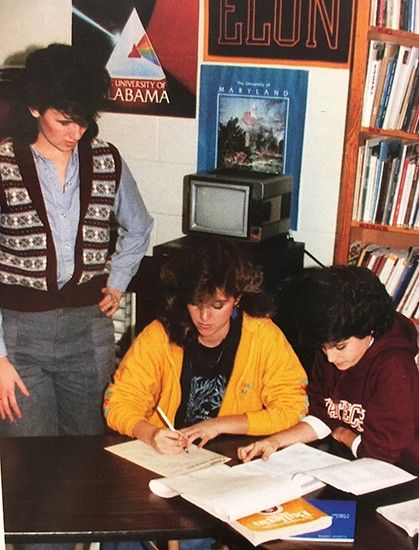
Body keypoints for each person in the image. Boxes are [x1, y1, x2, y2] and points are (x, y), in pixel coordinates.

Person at [0, 43, 153, 438]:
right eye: (64, 121)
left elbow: (139, 227)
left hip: (88, 334)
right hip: (19, 337)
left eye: (83, 121)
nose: (76, 133)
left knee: (90, 456)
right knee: (28, 458)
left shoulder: (107, 160)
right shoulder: (2, 165)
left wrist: (117, 281)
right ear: (35, 108)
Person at [104, 237, 308, 455]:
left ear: (237, 298)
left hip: (234, 455)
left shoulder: (264, 337)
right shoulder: (159, 335)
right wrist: (150, 434)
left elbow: (293, 408)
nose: (204, 317)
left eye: (217, 306)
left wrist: (220, 425)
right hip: (169, 457)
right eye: (195, 304)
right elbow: (118, 402)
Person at [238, 265, 419, 472]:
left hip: (403, 471)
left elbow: (383, 452)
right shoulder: (331, 347)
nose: (331, 358)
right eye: (324, 348)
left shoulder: (393, 366)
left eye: (340, 347)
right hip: (357, 462)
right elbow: (322, 417)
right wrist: (275, 442)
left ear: (370, 328)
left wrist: (346, 436)